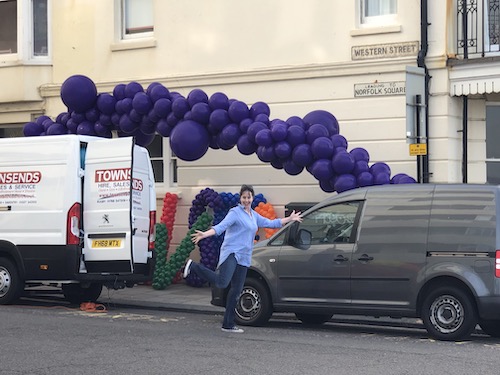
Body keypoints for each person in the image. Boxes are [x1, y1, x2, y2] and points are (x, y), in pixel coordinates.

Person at [185, 184, 303, 333]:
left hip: (244, 257)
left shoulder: (254, 215)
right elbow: (220, 227)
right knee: (222, 282)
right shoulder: (235, 213)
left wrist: (291, 219)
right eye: (244, 197)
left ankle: (228, 324)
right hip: (232, 253)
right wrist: (204, 234)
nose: (246, 200)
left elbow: (271, 223)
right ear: (240, 198)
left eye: (249, 197)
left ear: (252, 198)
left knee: (236, 291)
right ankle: (194, 267)